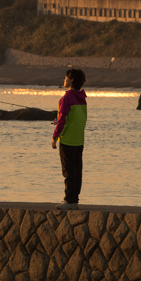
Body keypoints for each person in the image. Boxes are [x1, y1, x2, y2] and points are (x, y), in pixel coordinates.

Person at [52, 67, 87, 210]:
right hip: (79, 140)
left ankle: (69, 201)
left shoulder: (66, 98)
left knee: (68, 171)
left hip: (67, 140)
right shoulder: (82, 98)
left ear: (71, 80)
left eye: (65, 77)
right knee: (77, 171)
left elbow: (62, 121)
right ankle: (74, 201)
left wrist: (55, 137)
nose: (64, 79)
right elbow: (77, 119)